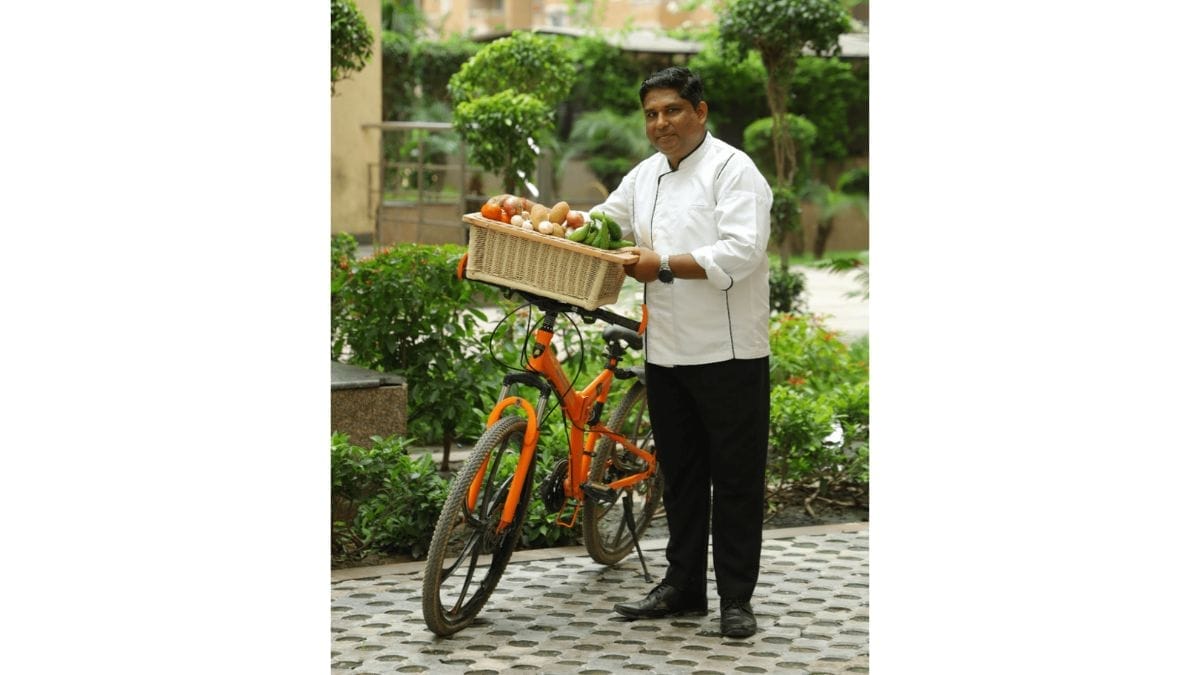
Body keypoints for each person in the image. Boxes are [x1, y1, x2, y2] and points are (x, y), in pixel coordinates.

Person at [589, 66, 773, 638]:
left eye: (672, 110)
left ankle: (736, 599)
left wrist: (663, 265)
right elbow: (601, 223)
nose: (660, 123)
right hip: (666, 352)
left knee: (735, 481)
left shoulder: (733, 169)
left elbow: (742, 251)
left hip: (729, 352)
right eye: (651, 114)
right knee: (682, 477)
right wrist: (541, 215)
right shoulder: (644, 175)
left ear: (700, 111)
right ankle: (683, 587)